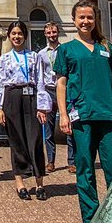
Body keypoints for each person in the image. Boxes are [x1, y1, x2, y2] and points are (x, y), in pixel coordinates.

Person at [55, 0, 112, 223]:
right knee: (85, 169)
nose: (86, 21)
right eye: (82, 17)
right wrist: (63, 114)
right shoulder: (66, 50)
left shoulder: (107, 47)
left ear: (95, 19)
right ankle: (91, 222)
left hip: (108, 114)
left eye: (90, 17)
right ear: (74, 20)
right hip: (82, 116)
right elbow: (61, 83)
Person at [0, 20, 50, 200]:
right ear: (9, 36)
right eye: (14, 34)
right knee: (16, 140)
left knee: (35, 139)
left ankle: (39, 183)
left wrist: (42, 106)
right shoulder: (5, 58)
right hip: (12, 97)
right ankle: (20, 183)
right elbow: (0, 83)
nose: (17, 37)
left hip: (31, 96)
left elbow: (40, 81)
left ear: (25, 36)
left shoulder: (34, 56)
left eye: (20, 33)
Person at [37, 20, 75, 174]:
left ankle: (72, 161)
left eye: (54, 32)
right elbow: (40, 76)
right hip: (49, 91)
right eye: (49, 32)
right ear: (45, 34)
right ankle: (50, 161)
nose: (51, 35)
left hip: (64, 90)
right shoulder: (41, 54)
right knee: (48, 129)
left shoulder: (65, 50)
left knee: (69, 125)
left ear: (58, 32)